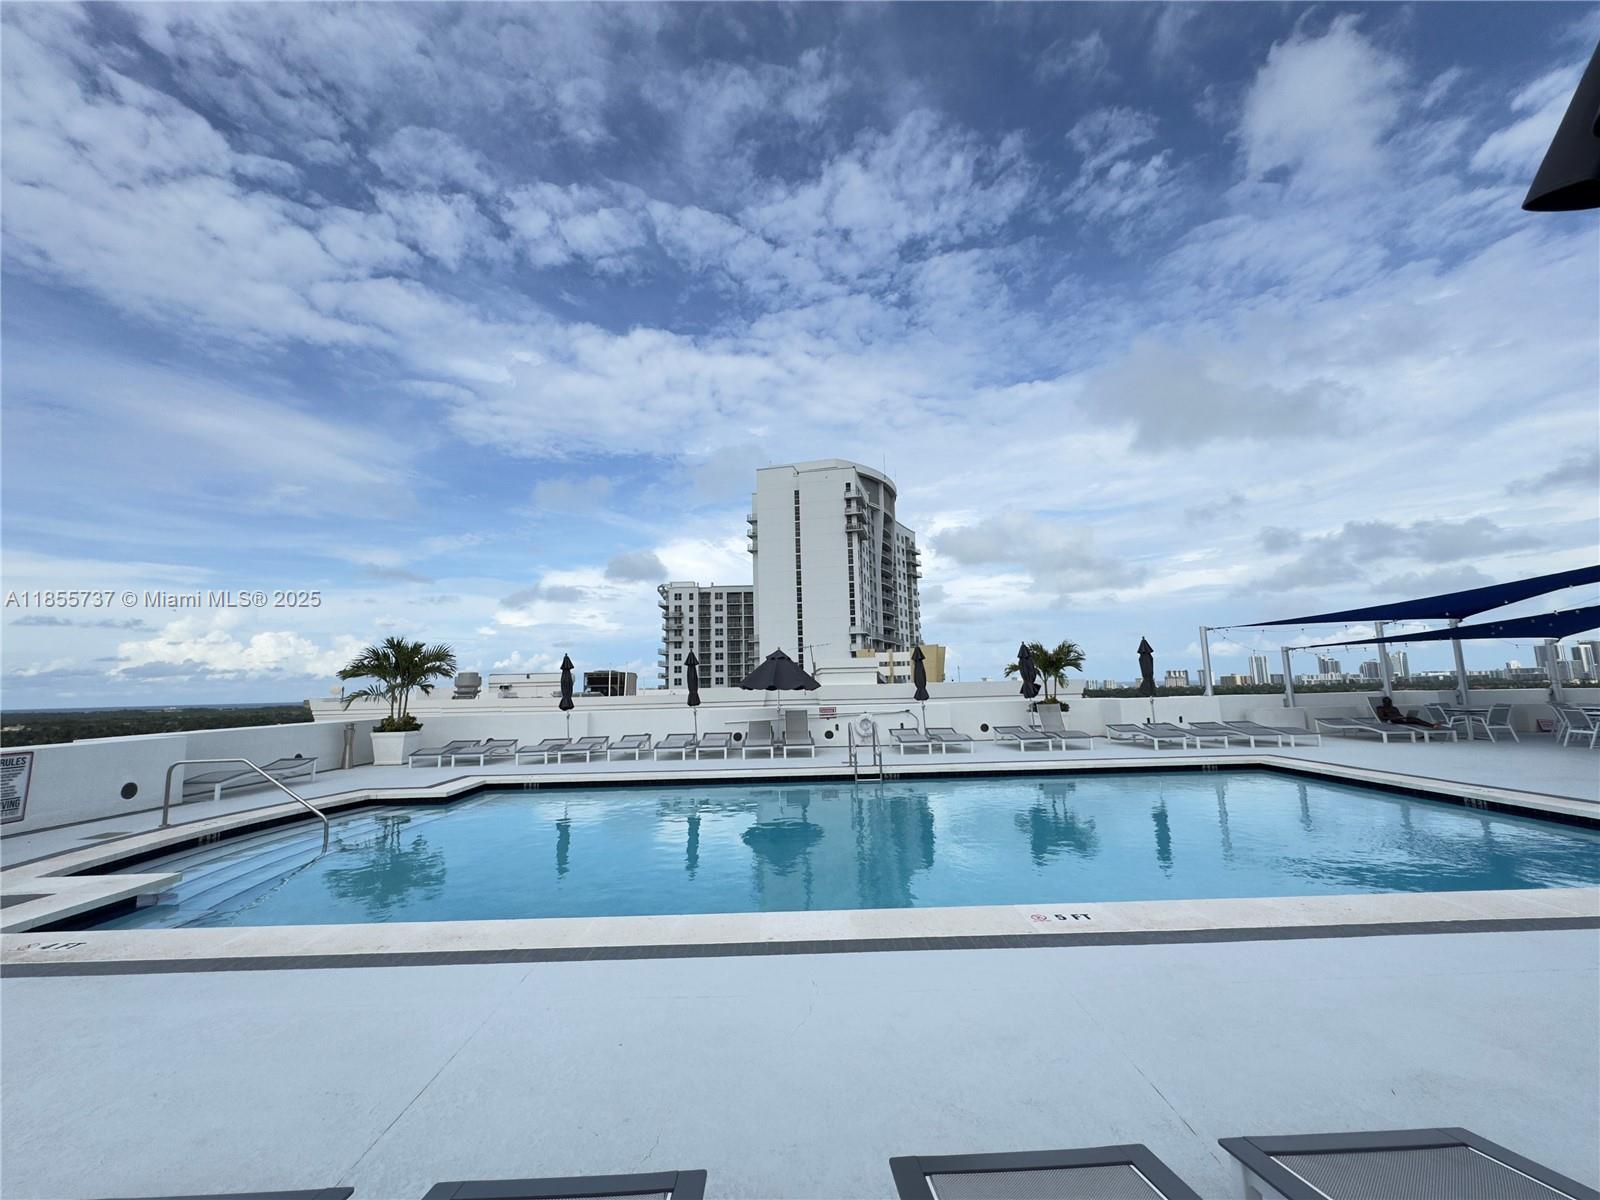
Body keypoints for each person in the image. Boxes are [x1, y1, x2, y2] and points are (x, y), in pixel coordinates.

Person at [1374, 696, 1439, 729]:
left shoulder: (1394, 708)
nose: (1389, 703)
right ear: (1384, 702)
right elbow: (1382, 717)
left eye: (1389, 702)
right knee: (1414, 720)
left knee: (1414, 719)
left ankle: (1432, 725)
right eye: (1387, 702)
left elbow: (1399, 714)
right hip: (1393, 720)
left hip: (1400, 719)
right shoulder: (1380, 708)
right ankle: (1432, 726)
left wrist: (1402, 717)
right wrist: (1393, 717)